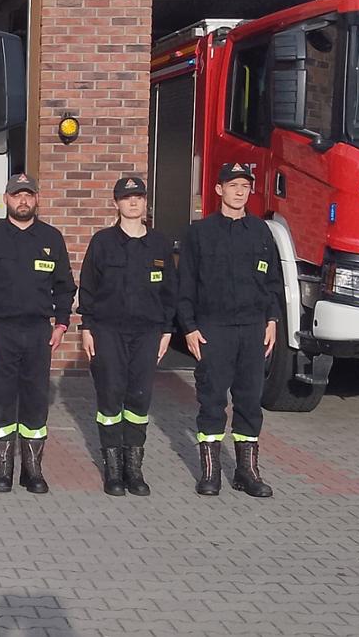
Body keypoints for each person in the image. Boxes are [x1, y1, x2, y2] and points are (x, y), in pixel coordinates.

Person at [178, 163, 280, 498]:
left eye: (245, 186)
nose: (239, 191)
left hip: (252, 328)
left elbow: (272, 282)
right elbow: (185, 284)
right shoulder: (200, 233)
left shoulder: (261, 231)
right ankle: (210, 473)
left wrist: (272, 320)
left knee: (249, 401)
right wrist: (189, 327)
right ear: (219, 190)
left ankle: (247, 472)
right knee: (212, 400)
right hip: (214, 328)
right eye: (233, 185)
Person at [0, 173, 76, 494]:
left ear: (37, 199)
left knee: (36, 402)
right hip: (0, 330)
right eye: (17, 195)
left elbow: (64, 286)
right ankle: (2, 472)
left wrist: (61, 324)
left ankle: (33, 471)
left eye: (28, 195)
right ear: (6, 199)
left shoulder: (51, 238)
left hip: (37, 332)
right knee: (1, 401)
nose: (23, 200)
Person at [77, 175, 175, 497]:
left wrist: (167, 330)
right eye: (126, 198)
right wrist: (87, 328)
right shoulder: (103, 242)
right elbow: (88, 287)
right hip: (108, 331)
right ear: (116, 203)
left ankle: (134, 469)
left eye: (139, 197)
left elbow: (170, 292)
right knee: (110, 395)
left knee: (139, 399)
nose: (133, 202)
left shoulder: (160, 244)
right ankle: (113, 470)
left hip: (147, 332)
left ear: (145, 202)